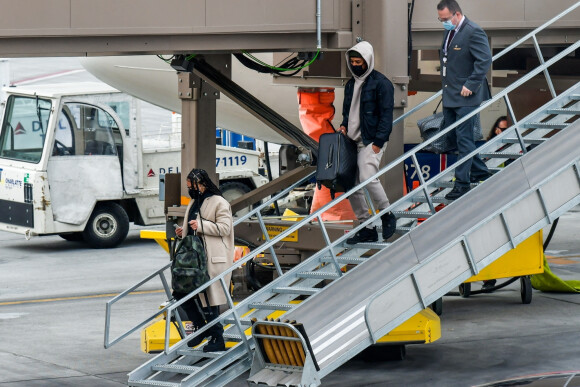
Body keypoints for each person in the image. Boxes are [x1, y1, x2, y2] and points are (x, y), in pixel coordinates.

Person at [337, 41, 397, 244]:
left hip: (371, 141)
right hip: (351, 142)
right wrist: (344, 126)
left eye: (358, 61)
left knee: (367, 176)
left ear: (368, 61)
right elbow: (348, 112)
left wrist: (378, 142)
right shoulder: (350, 84)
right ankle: (367, 227)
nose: (355, 65)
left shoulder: (382, 84)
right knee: (351, 184)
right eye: (352, 61)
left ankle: (387, 214)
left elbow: (386, 116)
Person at [437, 0, 493, 200]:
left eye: (445, 19)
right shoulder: (450, 31)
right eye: (440, 19)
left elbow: (484, 59)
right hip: (451, 94)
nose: (443, 22)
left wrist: (471, 84)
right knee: (452, 137)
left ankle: (462, 183)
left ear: (457, 14)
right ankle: (480, 171)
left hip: (466, 95)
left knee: (464, 138)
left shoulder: (473, 31)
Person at [174, 168, 234, 352]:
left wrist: (201, 226)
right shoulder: (194, 201)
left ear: (202, 183)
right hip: (193, 258)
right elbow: (192, 229)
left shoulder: (219, 202)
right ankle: (201, 327)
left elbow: (225, 228)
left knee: (210, 299)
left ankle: (217, 338)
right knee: (181, 292)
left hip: (211, 259)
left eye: (191, 185)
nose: (189, 189)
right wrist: (182, 232)